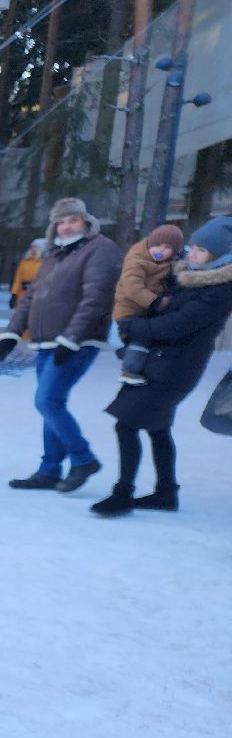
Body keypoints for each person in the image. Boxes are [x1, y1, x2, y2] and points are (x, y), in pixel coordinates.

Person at [92, 215, 232, 517]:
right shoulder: (187, 278)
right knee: (157, 428)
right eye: (192, 247)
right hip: (156, 363)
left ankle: (122, 493)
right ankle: (166, 492)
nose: (191, 254)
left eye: (201, 251)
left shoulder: (219, 290)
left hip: (174, 371)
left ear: (218, 257)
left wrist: (133, 328)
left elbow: (176, 326)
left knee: (126, 424)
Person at [0, 197, 121, 494]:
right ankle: (49, 470)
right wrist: (11, 333)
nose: (66, 226)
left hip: (76, 342)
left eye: (73, 220)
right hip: (46, 342)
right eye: (61, 222)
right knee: (52, 404)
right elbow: (30, 298)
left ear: (86, 222)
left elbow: (96, 299)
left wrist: (72, 338)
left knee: (47, 401)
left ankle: (83, 458)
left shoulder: (100, 250)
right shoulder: (55, 255)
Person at [111, 223, 184, 387]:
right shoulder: (137, 260)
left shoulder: (165, 264)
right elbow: (132, 287)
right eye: (157, 245)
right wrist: (155, 301)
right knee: (141, 338)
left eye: (167, 248)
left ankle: (131, 358)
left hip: (144, 312)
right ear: (150, 243)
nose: (161, 251)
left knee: (146, 338)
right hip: (128, 312)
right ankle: (130, 369)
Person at [9, 238, 46, 310]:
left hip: (36, 296)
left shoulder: (44, 263)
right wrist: (14, 294)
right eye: (32, 247)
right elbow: (17, 280)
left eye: (36, 247)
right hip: (22, 295)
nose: (33, 249)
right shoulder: (23, 262)